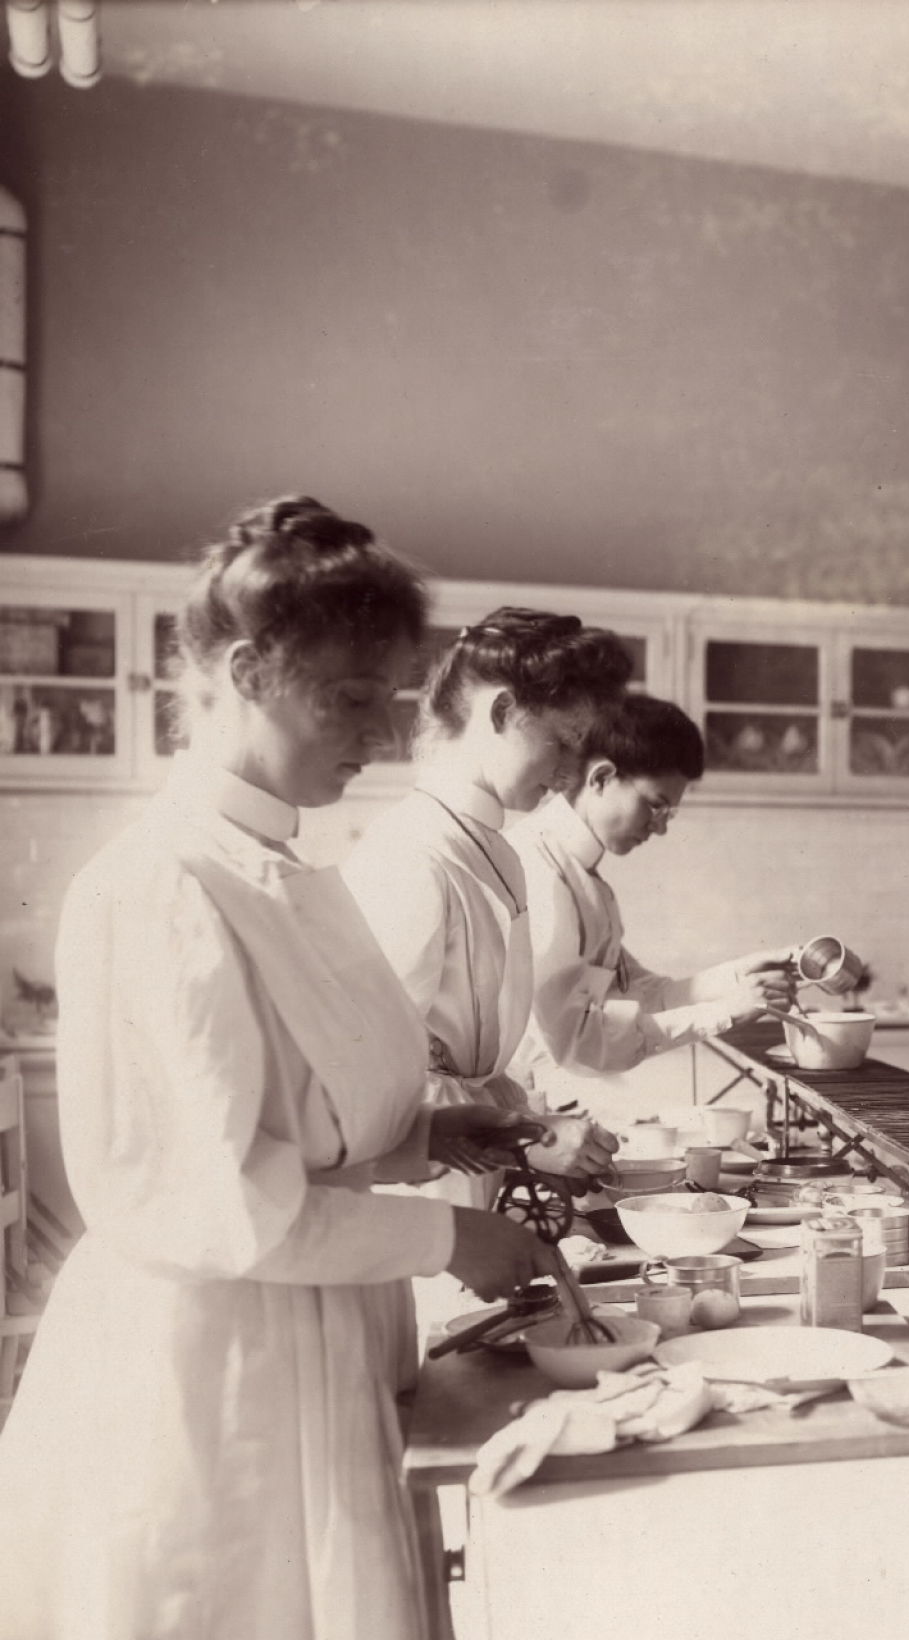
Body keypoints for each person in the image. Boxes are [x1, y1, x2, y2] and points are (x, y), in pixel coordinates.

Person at [0, 498, 558, 1639]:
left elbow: (290, 1120)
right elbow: (216, 1203)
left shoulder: (281, 864)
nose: (386, 735)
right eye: (353, 698)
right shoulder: (163, 880)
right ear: (249, 671)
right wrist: (451, 1235)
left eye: (397, 700)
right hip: (211, 1377)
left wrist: (419, 1141)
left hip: (313, 1331)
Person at [343, 607, 626, 1208]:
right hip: (419, 1192)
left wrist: (538, 1130)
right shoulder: (412, 854)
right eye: (562, 741)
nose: (570, 772)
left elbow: (475, 1067)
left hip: (475, 1173)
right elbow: (364, 1083)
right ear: (501, 712)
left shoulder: (496, 849)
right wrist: (527, 1137)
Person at [511, 692, 797, 1097]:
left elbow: (637, 994)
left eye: (669, 814)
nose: (659, 829)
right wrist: (724, 1013)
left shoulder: (585, 881)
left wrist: (740, 975)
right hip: (502, 1109)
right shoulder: (542, 874)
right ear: (601, 778)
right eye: (654, 807)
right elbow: (577, 1045)